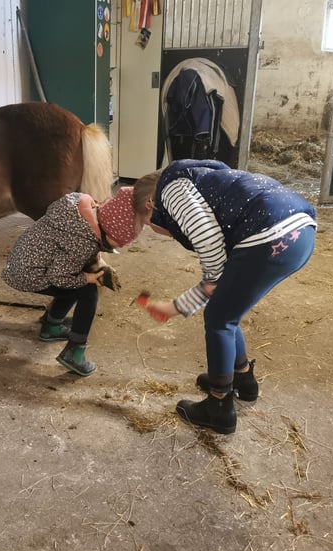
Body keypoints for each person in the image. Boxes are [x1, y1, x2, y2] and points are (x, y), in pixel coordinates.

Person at [135, 159, 317, 434]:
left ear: (150, 205)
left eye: (148, 224)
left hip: (269, 233)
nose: (158, 232)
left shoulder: (169, 191)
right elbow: (218, 281)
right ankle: (243, 380)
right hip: (300, 233)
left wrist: (183, 302)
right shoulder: (202, 181)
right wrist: (178, 306)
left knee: (219, 318)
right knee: (228, 310)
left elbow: (209, 245)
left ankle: (219, 406)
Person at [2, 185, 154, 376]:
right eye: (118, 242)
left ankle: (52, 326)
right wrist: (88, 278)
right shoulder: (80, 242)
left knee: (76, 277)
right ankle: (74, 352)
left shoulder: (81, 212)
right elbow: (59, 277)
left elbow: (70, 258)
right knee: (86, 290)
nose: (122, 245)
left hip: (22, 264)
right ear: (106, 232)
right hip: (27, 275)